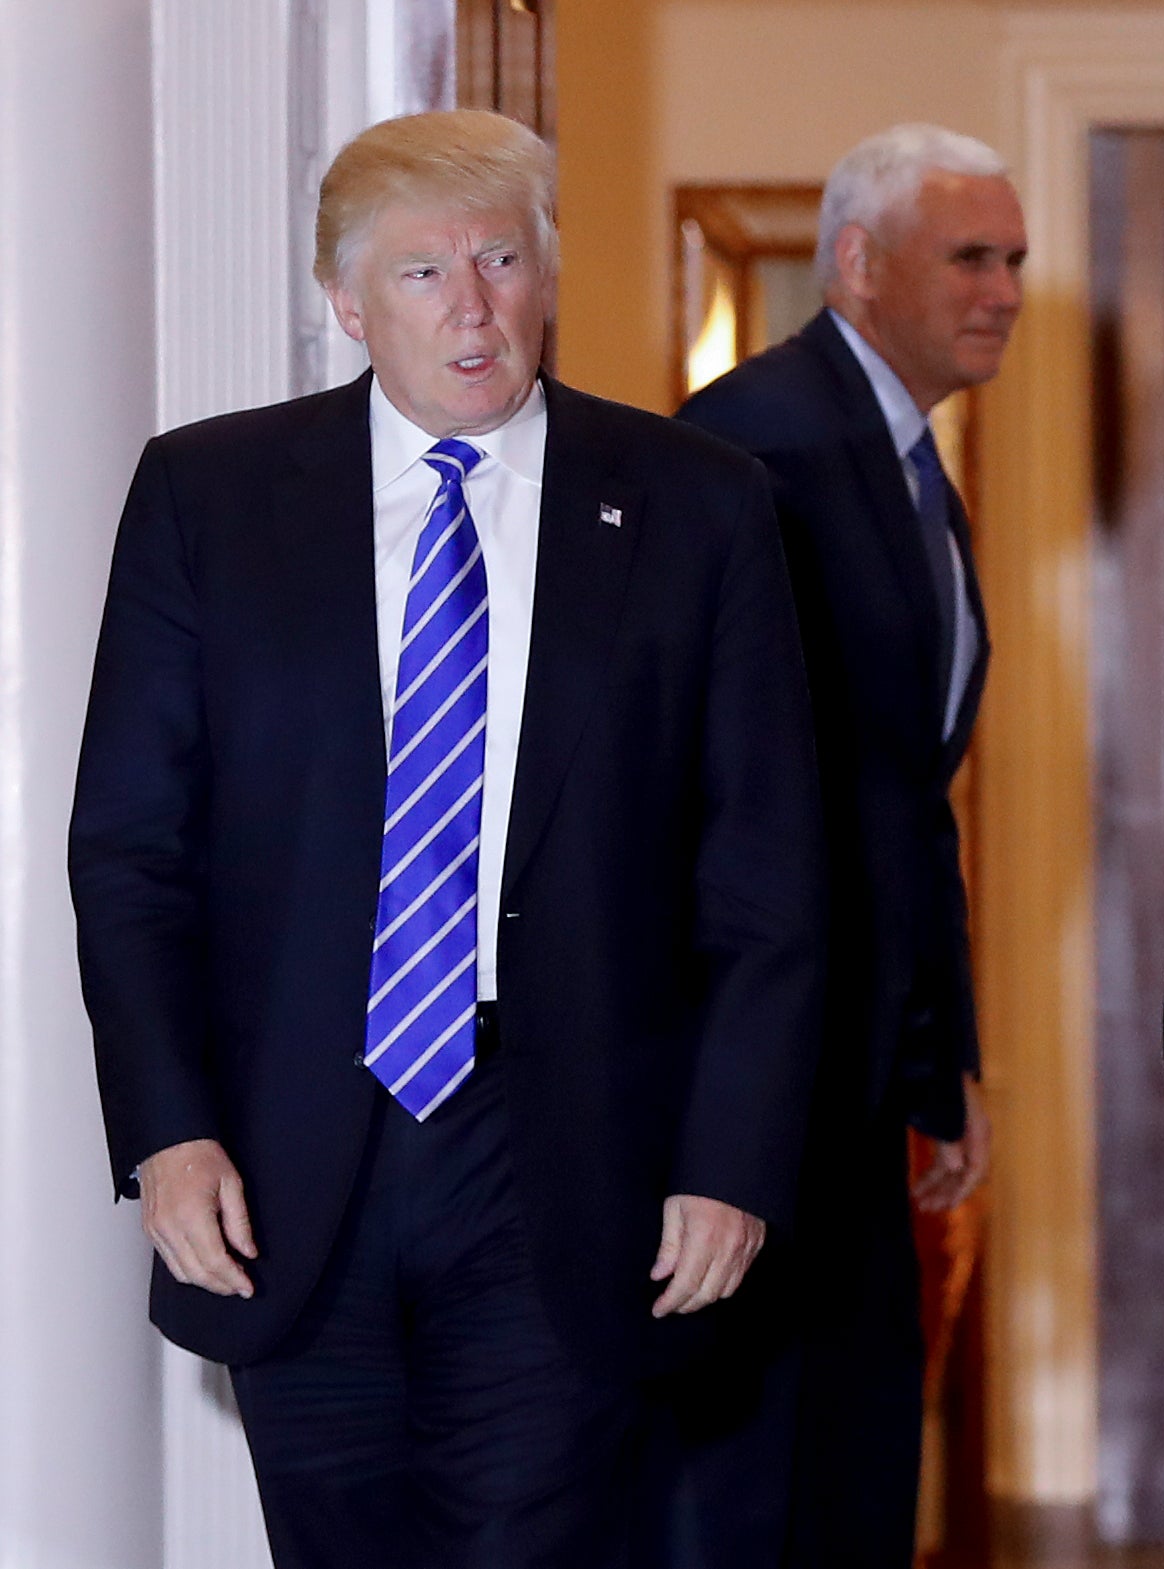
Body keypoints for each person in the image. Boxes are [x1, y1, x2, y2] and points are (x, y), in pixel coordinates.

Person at [68, 109, 824, 1569]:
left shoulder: (697, 505)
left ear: (546, 275)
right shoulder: (207, 499)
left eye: (501, 257)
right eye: (421, 273)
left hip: (567, 1159)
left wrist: (731, 1155)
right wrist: (166, 1128)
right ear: (344, 305)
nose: (471, 305)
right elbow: (131, 853)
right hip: (290, 1169)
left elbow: (766, 874)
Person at [675, 123, 1025, 1566]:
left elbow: (901, 795)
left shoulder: (899, 454)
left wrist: (938, 1057)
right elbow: (722, 798)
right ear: (857, 264)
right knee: (764, 1480)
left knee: (858, 1467)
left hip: (858, 1064)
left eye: (1013, 259)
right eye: (972, 256)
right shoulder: (753, 443)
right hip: (757, 1073)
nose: (1004, 288)